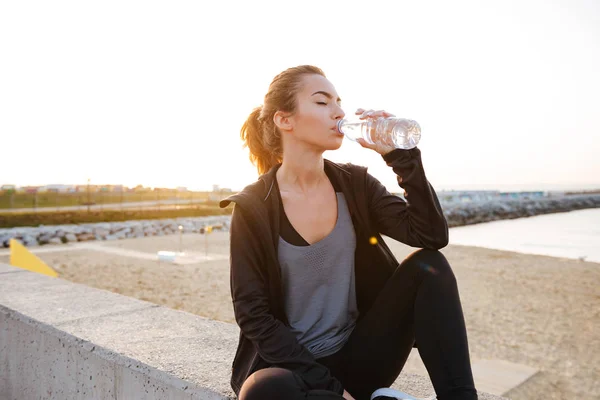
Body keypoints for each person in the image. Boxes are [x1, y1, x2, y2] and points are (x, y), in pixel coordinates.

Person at [219, 65, 478, 400]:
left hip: (362, 357)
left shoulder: (355, 185)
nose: (339, 112)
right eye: (322, 102)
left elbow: (430, 236)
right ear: (285, 120)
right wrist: (332, 388)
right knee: (263, 391)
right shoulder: (255, 206)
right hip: (295, 368)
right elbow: (253, 315)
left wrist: (402, 157)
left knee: (430, 266)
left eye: (339, 101)